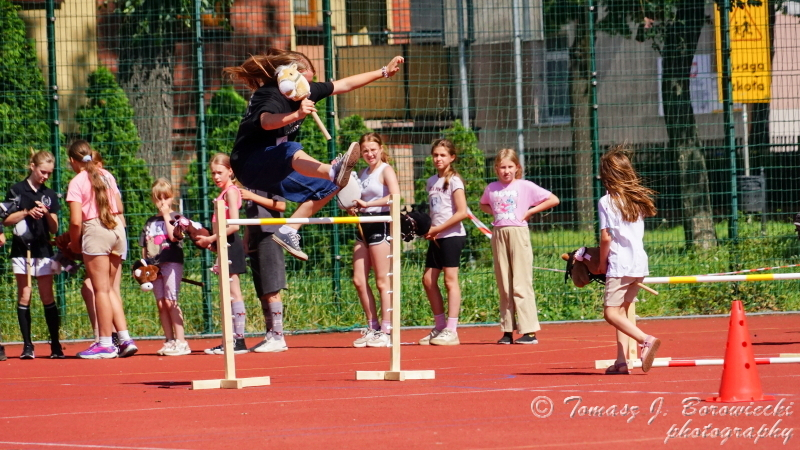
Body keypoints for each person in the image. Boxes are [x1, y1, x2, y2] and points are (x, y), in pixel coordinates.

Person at [224, 48, 404, 261]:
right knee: (291, 150)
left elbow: (344, 84)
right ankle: (333, 170)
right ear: (288, 77)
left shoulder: (305, 90)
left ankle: (290, 229)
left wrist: (383, 72)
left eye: (310, 83)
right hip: (249, 163)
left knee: (333, 184)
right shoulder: (270, 94)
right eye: (305, 83)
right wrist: (297, 114)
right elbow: (266, 122)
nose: (309, 89)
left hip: (276, 168)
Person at [480, 149, 560, 345]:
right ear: (496, 169)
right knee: (504, 283)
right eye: (502, 167)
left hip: (518, 233)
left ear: (517, 167)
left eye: (510, 167)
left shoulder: (525, 186)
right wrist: (494, 213)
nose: (506, 171)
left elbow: (553, 199)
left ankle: (529, 331)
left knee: (521, 282)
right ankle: (507, 330)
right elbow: (483, 204)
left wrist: (530, 211)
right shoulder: (492, 188)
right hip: (499, 233)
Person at [66, 140, 137, 359]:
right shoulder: (106, 175)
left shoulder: (77, 182)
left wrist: (74, 244)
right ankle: (124, 339)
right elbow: (119, 206)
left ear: (72, 160)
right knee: (110, 288)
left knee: (101, 290)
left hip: (96, 230)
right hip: (117, 229)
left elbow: (76, 221)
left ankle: (105, 343)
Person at [597, 145, 661, 374]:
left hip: (620, 264)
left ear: (607, 176)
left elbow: (606, 237)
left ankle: (646, 340)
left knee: (611, 313)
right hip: (639, 264)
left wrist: (601, 263)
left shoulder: (606, 201)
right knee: (622, 313)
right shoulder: (636, 199)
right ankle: (621, 361)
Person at [3, 151, 63, 359]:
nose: (45, 176)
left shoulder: (50, 194)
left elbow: (54, 228)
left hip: (43, 250)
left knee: (47, 295)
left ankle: (55, 344)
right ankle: (27, 346)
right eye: (42, 172)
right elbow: (6, 220)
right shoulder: (17, 190)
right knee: (25, 294)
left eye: (49, 173)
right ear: (32, 166)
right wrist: (26, 212)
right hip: (22, 250)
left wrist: (46, 213)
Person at [346, 133, 400, 348]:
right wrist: (355, 206)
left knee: (381, 281)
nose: (369, 154)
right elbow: (358, 199)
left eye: (373, 149)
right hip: (363, 226)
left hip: (381, 224)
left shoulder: (386, 170)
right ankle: (373, 327)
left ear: (380, 149)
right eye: (365, 151)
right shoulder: (362, 173)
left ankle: (387, 330)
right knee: (359, 280)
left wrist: (368, 205)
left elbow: (395, 197)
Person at [417, 139, 469, 346]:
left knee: (450, 280)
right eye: (435, 155)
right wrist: (428, 229)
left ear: (452, 158)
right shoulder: (431, 181)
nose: (438, 159)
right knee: (428, 280)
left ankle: (452, 330)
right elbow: (435, 211)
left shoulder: (455, 181)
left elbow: (462, 212)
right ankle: (439, 326)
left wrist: (438, 229)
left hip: (452, 236)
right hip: (436, 236)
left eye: (443, 155)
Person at [197, 153, 249, 355]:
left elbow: (234, 224)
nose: (216, 177)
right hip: (223, 243)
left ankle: (238, 340)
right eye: (213, 173)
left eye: (219, 172)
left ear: (230, 171)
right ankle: (230, 339)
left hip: (230, 243)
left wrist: (210, 239)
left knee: (234, 292)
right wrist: (213, 242)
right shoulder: (223, 193)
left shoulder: (231, 192)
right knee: (227, 294)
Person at [139, 178, 191, 356]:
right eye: (158, 198)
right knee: (161, 303)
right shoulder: (150, 222)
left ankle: (182, 341)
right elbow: (144, 246)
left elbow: (174, 237)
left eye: (166, 197)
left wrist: (167, 214)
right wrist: (144, 267)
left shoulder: (177, 218)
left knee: (171, 300)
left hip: (172, 261)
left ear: (172, 197)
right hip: (155, 266)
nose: (162, 202)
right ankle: (169, 340)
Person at [242, 187, 289, 353]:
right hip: (255, 235)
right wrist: (246, 239)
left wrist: (252, 196)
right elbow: (251, 217)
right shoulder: (249, 183)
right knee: (262, 290)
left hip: (270, 234)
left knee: (271, 287)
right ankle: (270, 334)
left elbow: (281, 205)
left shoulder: (270, 180)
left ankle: (278, 336)